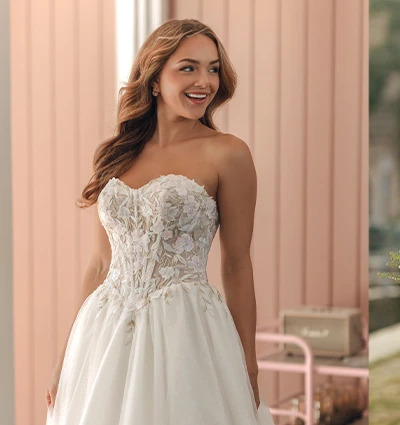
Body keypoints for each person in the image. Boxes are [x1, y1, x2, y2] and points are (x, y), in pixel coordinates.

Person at [46, 19, 273, 425]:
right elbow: (100, 265)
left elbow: (237, 263)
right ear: (154, 79)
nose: (205, 81)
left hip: (184, 332)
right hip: (104, 332)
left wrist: (249, 364)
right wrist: (67, 355)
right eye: (188, 67)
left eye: (213, 68)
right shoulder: (116, 154)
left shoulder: (227, 154)